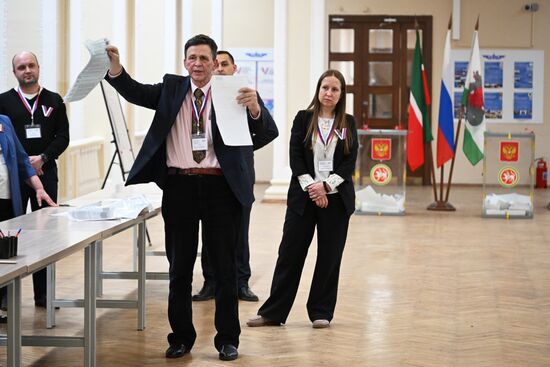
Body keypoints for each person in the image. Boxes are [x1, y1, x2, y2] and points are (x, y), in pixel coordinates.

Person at [105, 34, 278, 361]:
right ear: (185, 62)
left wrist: (256, 109)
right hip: (180, 187)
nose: (197, 64)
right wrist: (116, 69)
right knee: (180, 269)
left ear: (214, 63)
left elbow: (267, 132)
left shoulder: (232, 93)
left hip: (220, 189)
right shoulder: (172, 89)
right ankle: (181, 337)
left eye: (204, 59)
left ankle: (228, 339)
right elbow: (136, 92)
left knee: (225, 270)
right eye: (192, 58)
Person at [247, 69, 358, 329]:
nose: (328, 93)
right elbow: (295, 157)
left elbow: (349, 162)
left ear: (342, 94)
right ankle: (273, 313)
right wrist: (313, 188)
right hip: (303, 198)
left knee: (329, 257)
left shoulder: (347, 123)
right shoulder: (303, 118)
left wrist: (326, 187)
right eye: (325, 88)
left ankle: (321, 312)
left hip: (336, 200)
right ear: (318, 90)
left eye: (334, 89)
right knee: (289, 253)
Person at [0, 51, 70, 308]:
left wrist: (43, 158)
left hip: (45, 174)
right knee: (7, 234)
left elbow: (63, 136)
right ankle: (4, 297)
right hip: (13, 179)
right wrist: (23, 164)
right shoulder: (3, 102)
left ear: (39, 68)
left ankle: (43, 294)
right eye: (21, 67)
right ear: (14, 72)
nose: (27, 70)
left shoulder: (54, 100)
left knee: (45, 236)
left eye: (31, 65)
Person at [193, 50, 258, 303]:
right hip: (210, 175)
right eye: (216, 64)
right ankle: (210, 282)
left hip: (239, 175)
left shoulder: (245, 94)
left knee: (240, 230)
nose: (219, 68)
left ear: (234, 68)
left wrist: (241, 152)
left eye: (224, 64)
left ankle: (242, 282)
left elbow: (264, 128)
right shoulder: (201, 96)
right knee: (209, 233)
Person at [0, 113, 57, 322]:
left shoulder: (4, 121)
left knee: (6, 253)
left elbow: (22, 160)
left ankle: (4, 300)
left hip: (7, 198)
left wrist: (39, 188)